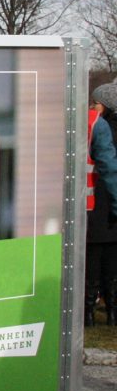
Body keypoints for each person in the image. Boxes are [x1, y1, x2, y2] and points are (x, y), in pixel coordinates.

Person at [85, 81, 117, 326]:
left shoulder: (94, 123)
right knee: (108, 264)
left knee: (92, 265)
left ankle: (88, 312)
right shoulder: (99, 125)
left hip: (91, 207)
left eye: (96, 102)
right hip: (101, 206)